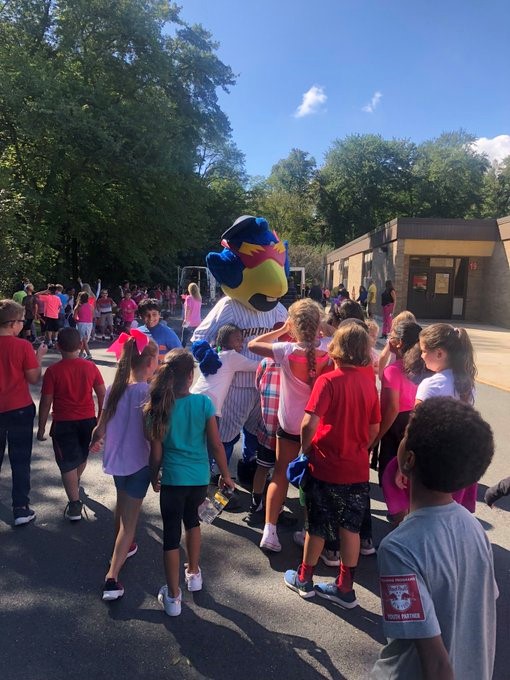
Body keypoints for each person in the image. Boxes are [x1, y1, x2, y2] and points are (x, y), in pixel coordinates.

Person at [371, 398, 497, 680]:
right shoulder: (474, 528)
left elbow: (436, 664)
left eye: (405, 435)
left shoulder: (399, 548)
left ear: (409, 459)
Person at [284, 322, 380, 607]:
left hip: (325, 465)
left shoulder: (328, 381)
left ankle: (305, 578)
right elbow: (374, 428)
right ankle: (345, 587)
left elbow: (308, 422)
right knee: (350, 528)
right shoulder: (368, 383)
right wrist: (362, 446)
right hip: (357, 468)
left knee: (318, 526)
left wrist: (305, 449)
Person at [144, 349, 235, 617]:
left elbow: (156, 453)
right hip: (198, 479)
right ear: (191, 375)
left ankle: (173, 598)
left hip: (172, 479)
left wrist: (153, 476)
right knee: (193, 523)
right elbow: (216, 444)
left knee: (171, 536)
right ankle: (194, 573)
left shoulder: (158, 408)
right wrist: (226, 475)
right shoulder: (204, 404)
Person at [248, 299, 333, 553]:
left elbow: (253, 344)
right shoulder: (329, 347)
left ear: (293, 326)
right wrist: (325, 329)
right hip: (316, 425)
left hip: (288, 424)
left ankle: (269, 532)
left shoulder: (285, 349)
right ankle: (309, 530)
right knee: (314, 479)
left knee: (280, 475)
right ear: (318, 323)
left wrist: (280, 330)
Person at [89, 334, 159, 601]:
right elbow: (152, 434)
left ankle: (124, 546)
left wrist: (95, 442)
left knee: (121, 503)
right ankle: (111, 577)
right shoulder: (147, 392)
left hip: (117, 462)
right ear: (151, 362)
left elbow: (100, 427)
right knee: (130, 521)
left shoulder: (115, 389)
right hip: (139, 463)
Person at [37, 327, 105, 520]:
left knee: (67, 464)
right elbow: (102, 394)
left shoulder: (52, 371)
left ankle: (74, 504)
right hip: (87, 421)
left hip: (63, 423)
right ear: (82, 344)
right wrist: (100, 420)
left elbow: (46, 401)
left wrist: (42, 427)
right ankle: (76, 482)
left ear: (58, 346)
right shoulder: (90, 367)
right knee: (82, 456)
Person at [0, 300, 47, 525]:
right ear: (11, 324)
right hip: (18, 408)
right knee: (20, 459)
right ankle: (20, 507)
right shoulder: (22, 346)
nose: (22, 324)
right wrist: (38, 357)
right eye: (20, 321)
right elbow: (33, 378)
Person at [138, 298, 180, 363]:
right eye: (147, 314)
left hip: (162, 372)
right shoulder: (137, 333)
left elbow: (180, 355)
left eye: (154, 314)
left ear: (159, 314)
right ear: (141, 316)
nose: (151, 318)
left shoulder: (168, 333)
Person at [378, 310, 416, 379]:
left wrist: (380, 374)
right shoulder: (416, 340)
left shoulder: (393, 340)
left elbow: (383, 356)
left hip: (393, 372)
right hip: (410, 375)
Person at [181, 283, 202, 347]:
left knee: (184, 339)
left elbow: (188, 309)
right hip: (198, 321)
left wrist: (185, 320)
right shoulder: (199, 298)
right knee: (196, 339)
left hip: (189, 322)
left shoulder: (189, 298)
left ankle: (181, 352)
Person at [74, 291, 94, 360]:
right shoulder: (91, 306)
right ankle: (81, 354)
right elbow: (92, 315)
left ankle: (88, 354)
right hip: (89, 323)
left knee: (83, 339)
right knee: (85, 339)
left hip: (81, 323)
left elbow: (74, 316)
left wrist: (77, 321)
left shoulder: (78, 306)